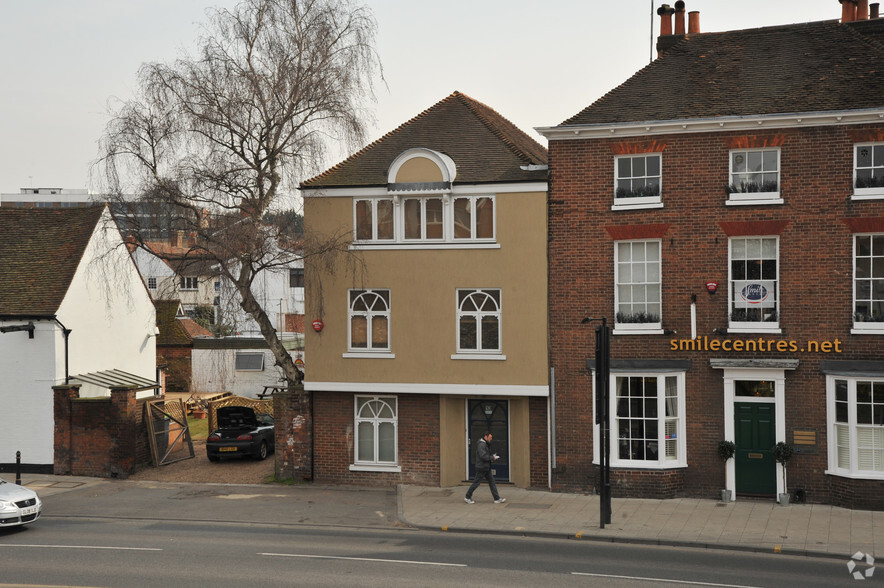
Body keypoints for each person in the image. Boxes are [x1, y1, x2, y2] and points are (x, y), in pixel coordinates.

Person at [464, 431, 505, 504]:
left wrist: (492, 457)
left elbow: (485, 455)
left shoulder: (485, 444)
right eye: (490, 438)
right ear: (485, 437)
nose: (490, 439)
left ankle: (497, 498)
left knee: (492, 482)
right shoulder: (481, 445)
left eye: (491, 438)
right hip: (482, 467)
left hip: (486, 467)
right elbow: (483, 456)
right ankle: (467, 497)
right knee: (476, 483)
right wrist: (492, 458)